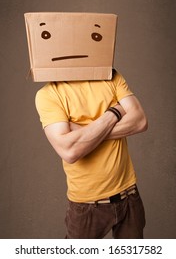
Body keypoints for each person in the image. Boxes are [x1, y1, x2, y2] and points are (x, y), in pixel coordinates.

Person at [35, 69, 148, 239]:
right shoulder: (48, 94)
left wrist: (84, 133)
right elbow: (70, 151)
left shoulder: (111, 76)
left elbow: (140, 122)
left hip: (129, 196)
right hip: (87, 206)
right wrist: (115, 113)